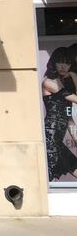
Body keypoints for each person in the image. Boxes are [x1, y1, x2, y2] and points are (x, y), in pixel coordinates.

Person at [41, 48, 77, 181]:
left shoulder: (64, 84)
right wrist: (74, 76)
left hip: (57, 140)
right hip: (49, 139)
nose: (63, 66)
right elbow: (73, 98)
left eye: (67, 63)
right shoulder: (49, 82)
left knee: (74, 166)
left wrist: (76, 138)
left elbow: (69, 119)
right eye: (60, 62)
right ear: (54, 63)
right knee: (48, 176)